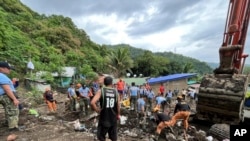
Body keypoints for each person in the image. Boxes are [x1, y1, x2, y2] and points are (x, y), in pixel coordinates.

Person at [90, 76, 120, 141]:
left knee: (101, 137)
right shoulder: (116, 92)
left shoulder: (101, 91)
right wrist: (118, 115)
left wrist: (97, 110)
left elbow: (92, 103)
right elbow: (118, 105)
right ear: (112, 83)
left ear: (104, 83)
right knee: (113, 138)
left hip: (104, 118)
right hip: (113, 118)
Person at [0, 62, 20, 131]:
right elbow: (7, 89)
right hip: (5, 96)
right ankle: (13, 127)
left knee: (7, 109)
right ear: (1, 68)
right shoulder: (1, 76)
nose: (9, 70)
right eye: (8, 68)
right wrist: (14, 99)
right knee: (13, 110)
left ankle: (8, 123)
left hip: (2, 96)